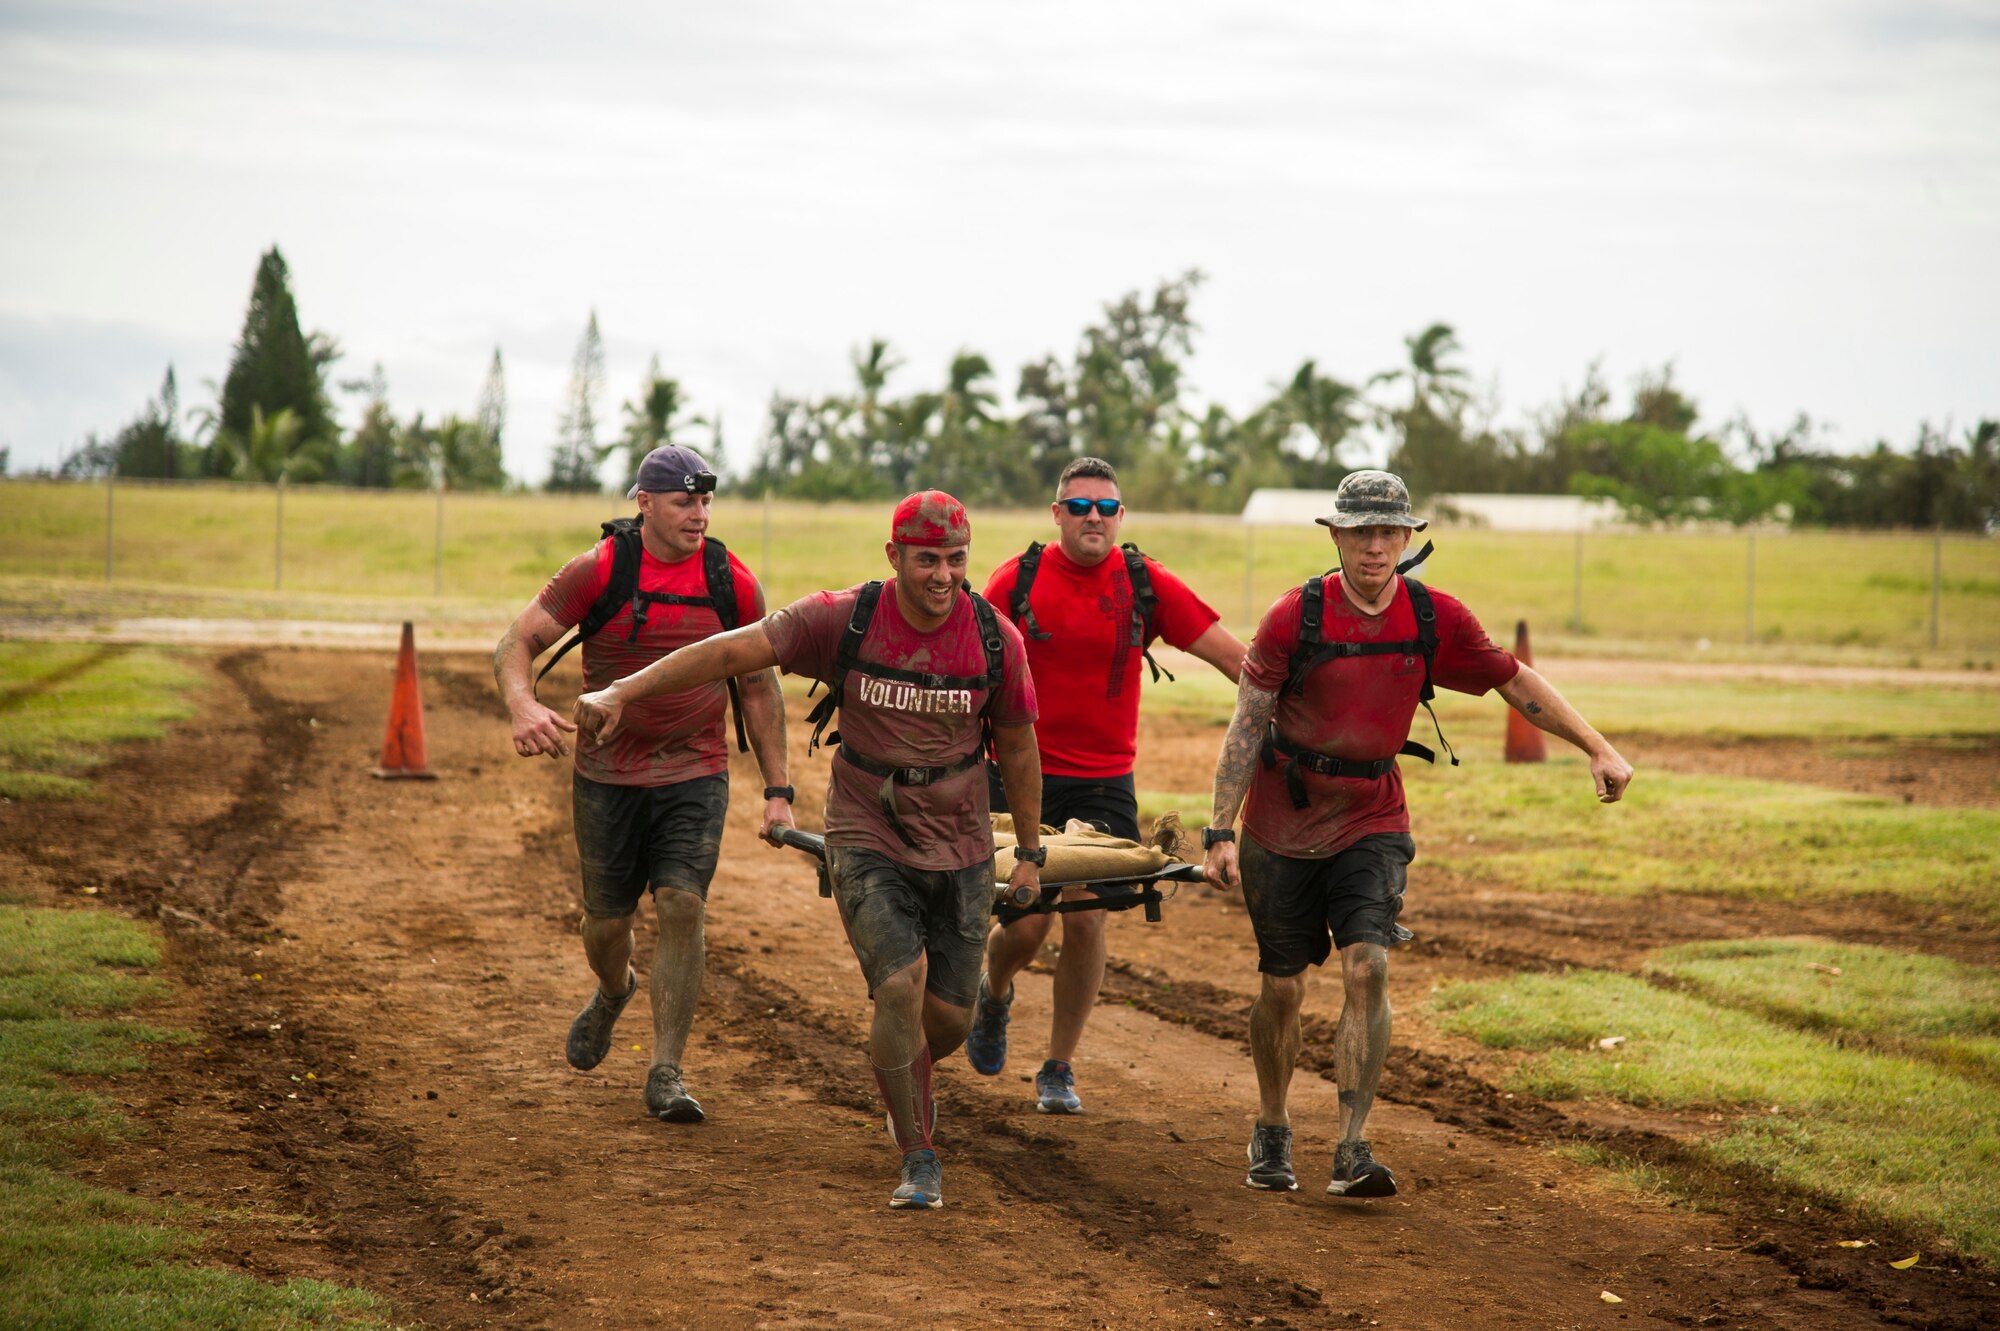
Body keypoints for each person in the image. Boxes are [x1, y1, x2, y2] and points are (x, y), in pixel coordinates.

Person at [571, 491, 1043, 1210]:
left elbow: (1017, 744)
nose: (943, 575)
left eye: (955, 559)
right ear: (894, 557)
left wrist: (1033, 850)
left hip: (963, 841)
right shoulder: (844, 616)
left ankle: (899, 1068)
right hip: (866, 830)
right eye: (926, 560)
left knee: (947, 1020)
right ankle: (918, 1153)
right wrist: (621, 690)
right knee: (898, 984)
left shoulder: (992, 637)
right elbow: (729, 651)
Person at [1201, 470, 1634, 1198]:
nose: (1374, 547)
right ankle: (1272, 1126)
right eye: (1360, 532)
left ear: (1408, 539)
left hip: (1372, 815)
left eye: (1388, 532)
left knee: (1368, 965)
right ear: (1335, 536)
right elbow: (1247, 723)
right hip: (1281, 820)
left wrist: (1597, 744)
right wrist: (1218, 829)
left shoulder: (1435, 617)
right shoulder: (1293, 618)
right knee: (1282, 988)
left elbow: (1515, 681)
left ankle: (1350, 1145)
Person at [494, 445, 794, 1126]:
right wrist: (523, 703)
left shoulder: (731, 581)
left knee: (683, 902)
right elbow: (517, 642)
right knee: (607, 924)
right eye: (684, 501)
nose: (698, 513)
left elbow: (758, 686)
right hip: (607, 773)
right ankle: (612, 989)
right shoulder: (600, 570)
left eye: (706, 500)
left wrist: (780, 789)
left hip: (696, 770)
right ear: (645, 503)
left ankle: (666, 1070)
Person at [970, 456, 1247, 1113]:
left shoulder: (1145, 583)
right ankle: (995, 988)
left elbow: (1238, 660)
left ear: (1121, 517)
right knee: (1029, 922)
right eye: (1080, 505)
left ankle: (1058, 1065)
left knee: (1088, 917)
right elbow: (967, 668)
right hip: (1016, 771)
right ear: (1057, 514)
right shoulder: (1015, 580)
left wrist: (1292, 707)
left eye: (1107, 507)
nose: (1094, 516)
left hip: (1102, 783)